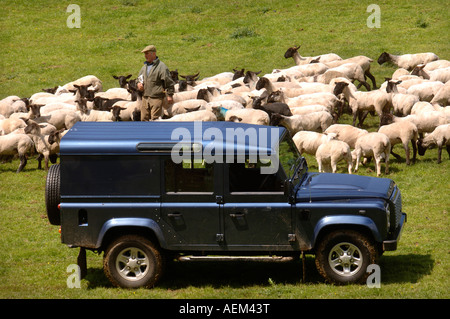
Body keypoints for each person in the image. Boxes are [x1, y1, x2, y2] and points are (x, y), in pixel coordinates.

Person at [137, 45, 175, 121]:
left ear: (153, 54)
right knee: (143, 119)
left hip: (156, 98)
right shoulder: (144, 67)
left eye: (147, 53)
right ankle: (145, 133)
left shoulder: (162, 67)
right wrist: (138, 84)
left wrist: (169, 95)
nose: (145, 56)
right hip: (145, 97)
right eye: (145, 54)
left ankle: (155, 133)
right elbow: (139, 79)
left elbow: (168, 81)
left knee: (155, 120)